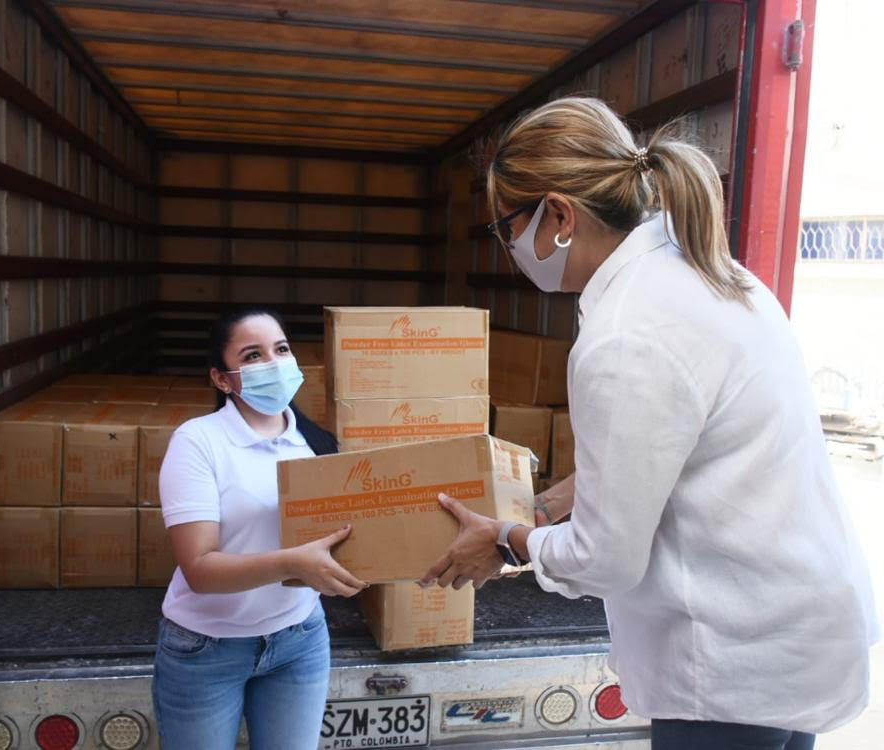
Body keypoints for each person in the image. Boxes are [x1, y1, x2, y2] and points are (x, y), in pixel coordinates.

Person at [420, 97, 877, 750]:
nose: (506, 249)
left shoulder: (625, 334)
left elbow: (604, 562)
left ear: (558, 215)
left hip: (731, 657)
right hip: (793, 625)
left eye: (503, 229)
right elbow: (675, 447)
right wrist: (545, 508)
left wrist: (505, 543)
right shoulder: (714, 277)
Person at [151, 308, 366, 750]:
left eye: (281, 349)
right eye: (252, 355)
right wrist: (293, 564)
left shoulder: (317, 445)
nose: (273, 363)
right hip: (207, 649)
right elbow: (200, 569)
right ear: (222, 379)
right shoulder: (198, 442)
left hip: (299, 638)